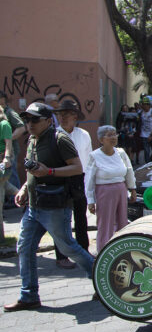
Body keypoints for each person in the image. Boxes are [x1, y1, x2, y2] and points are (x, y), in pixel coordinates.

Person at [4, 103, 95, 312]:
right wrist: (25, 188)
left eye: (34, 119)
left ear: (47, 121)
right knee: (25, 248)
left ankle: (102, 278)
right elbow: (32, 167)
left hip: (55, 205)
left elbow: (77, 167)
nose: (30, 124)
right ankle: (29, 296)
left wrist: (50, 172)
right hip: (34, 206)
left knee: (67, 247)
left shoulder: (60, 139)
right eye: (27, 120)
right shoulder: (32, 139)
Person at [85, 125, 136, 253]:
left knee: (122, 221)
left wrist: (132, 189)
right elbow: (89, 179)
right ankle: (103, 251)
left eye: (115, 134)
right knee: (105, 223)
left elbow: (129, 171)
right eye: (110, 135)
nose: (113, 138)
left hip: (121, 189)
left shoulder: (121, 153)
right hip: (104, 191)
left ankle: (123, 249)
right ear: (101, 139)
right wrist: (90, 200)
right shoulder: (95, 155)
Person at [53, 100, 92, 267]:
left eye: (67, 114)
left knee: (81, 218)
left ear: (75, 116)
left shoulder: (83, 135)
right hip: (61, 179)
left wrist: (89, 184)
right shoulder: (53, 135)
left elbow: (89, 160)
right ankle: (61, 255)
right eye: (60, 115)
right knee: (62, 220)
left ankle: (84, 250)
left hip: (80, 179)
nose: (63, 118)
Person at [0, 90, 27, 192]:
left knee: (11, 174)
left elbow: (21, 128)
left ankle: (14, 199)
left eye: (2, 103)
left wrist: (8, 139)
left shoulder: (9, 112)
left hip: (10, 151)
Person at [0, 107, 18, 242]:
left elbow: (8, 144)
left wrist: (6, 158)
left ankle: (1, 238)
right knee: (6, 186)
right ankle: (27, 197)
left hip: (2, 161)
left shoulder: (4, 124)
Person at [138, 95, 152, 164]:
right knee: (146, 151)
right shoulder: (140, 113)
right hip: (144, 135)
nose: (143, 106)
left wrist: (151, 135)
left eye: (144, 104)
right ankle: (147, 164)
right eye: (142, 104)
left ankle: (151, 161)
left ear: (148, 105)